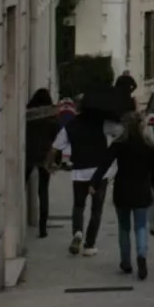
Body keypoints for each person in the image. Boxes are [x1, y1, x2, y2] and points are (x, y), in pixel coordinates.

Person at [90, 112, 154, 280]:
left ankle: (126, 262)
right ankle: (142, 256)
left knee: (124, 228)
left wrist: (94, 183)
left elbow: (104, 164)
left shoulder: (119, 145)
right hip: (142, 191)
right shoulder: (149, 147)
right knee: (141, 226)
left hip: (122, 191)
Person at [50, 92, 122, 256]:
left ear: (77, 108)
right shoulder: (102, 123)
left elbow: (55, 147)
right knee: (96, 210)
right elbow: (119, 131)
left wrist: (49, 164)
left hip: (79, 173)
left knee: (78, 206)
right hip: (99, 173)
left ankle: (77, 232)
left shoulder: (71, 125)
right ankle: (90, 245)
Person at [25, 89, 58, 237]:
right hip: (46, 157)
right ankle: (43, 228)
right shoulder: (52, 115)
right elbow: (57, 138)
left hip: (29, 155)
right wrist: (57, 160)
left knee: (21, 185)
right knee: (43, 192)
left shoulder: (29, 113)